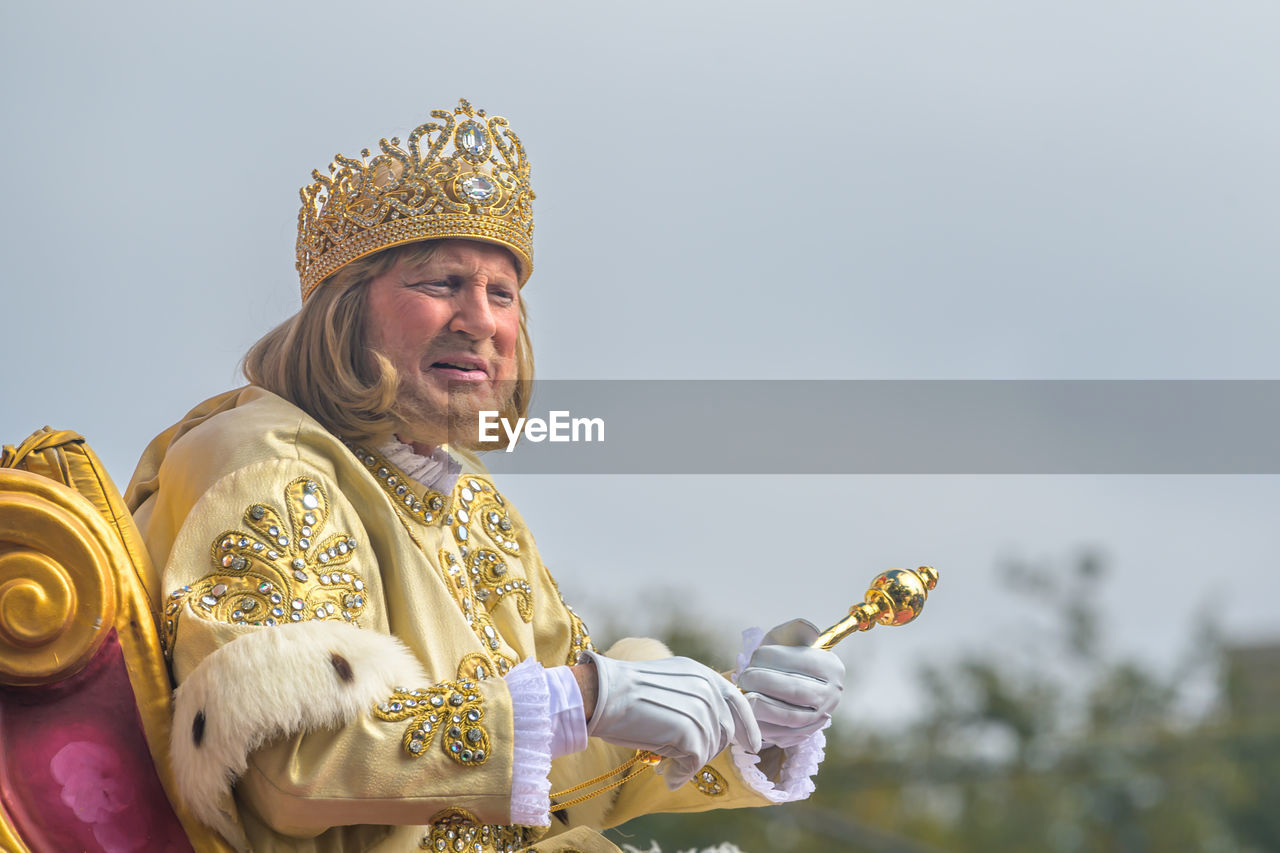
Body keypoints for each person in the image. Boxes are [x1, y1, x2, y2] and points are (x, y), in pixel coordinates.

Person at [125, 98, 846, 853]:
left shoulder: (471, 499)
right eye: (441, 283)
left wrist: (739, 723)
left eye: (502, 294)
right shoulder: (264, 457)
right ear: (343, 310)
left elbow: (564, 773)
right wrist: (590, 695)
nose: (481, 320)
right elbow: (291, 765)